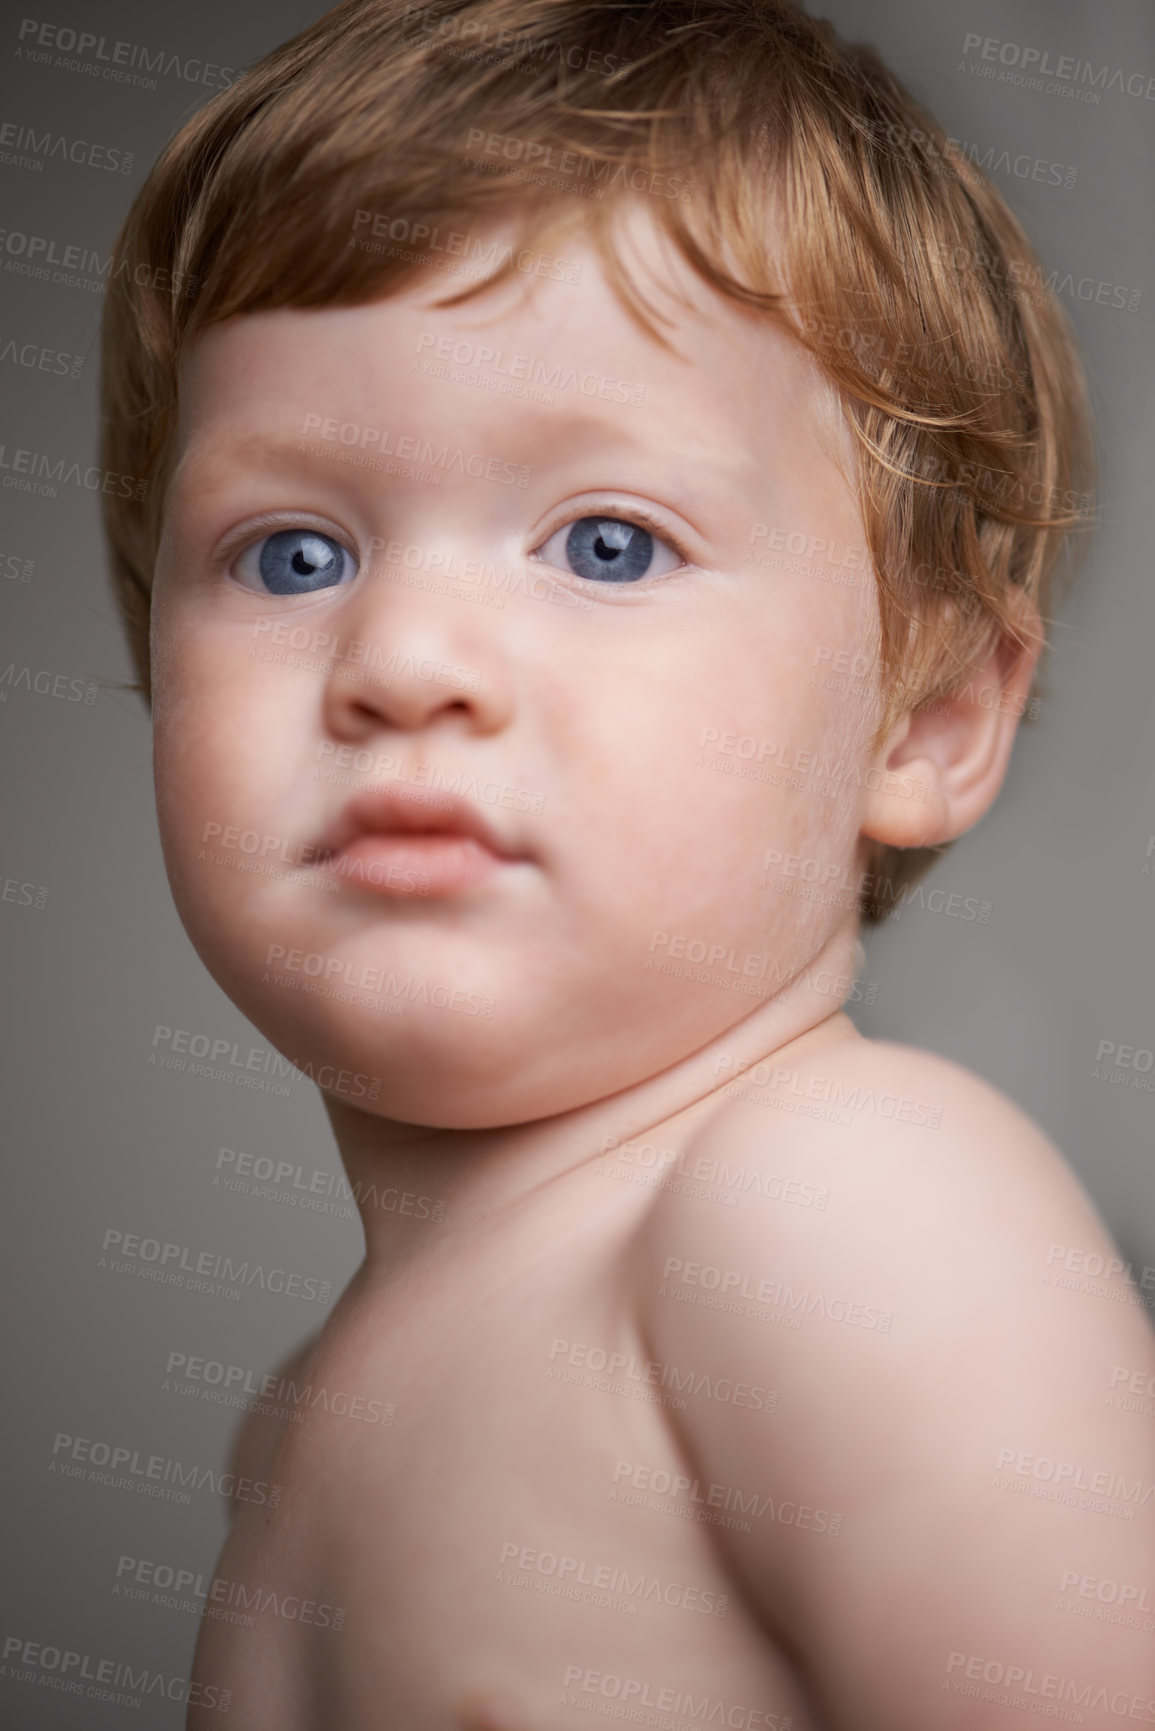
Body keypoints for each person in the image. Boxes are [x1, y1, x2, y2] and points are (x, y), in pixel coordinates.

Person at [98, 1, 1155, 1724]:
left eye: (606, 541)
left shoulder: (842, 1200)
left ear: (930, 719)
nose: (407, 655)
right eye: (292, 554)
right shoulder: (295, 1422)